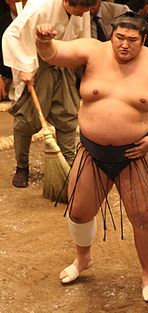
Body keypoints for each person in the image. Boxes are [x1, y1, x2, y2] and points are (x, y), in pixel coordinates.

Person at [35, 11, 148, 302]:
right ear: (111, 34)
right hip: (92, 150)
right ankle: (83, 259)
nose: (124, 45)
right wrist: (43, 42)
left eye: (132, 40)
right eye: (119, 38)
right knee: (78, 211)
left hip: (135, 154)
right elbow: (55, 54)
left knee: (143, 217)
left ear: (144, 40)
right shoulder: (93, 50)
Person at [2, 0, 97, 188]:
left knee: (67, 115)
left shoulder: (83, 9)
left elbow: (83, 39)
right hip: (37, 64)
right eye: (79, 9)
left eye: (86, 10)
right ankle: (22, 166)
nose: (82, 14)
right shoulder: (41, 6)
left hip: (65, 62)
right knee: (27, 120)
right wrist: (25, 66)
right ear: (66, 1)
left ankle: (68, 164)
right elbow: (12, 36)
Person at [0, 0, 27, 102]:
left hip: (30, 74)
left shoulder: (34, 18)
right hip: (6, 76)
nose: (20, 2)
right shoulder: (2, 23)